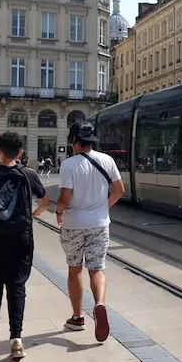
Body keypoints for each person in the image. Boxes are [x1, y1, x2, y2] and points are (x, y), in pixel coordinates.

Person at [0, 131, 50, 359]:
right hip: (21, 237)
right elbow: (45, 201)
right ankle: (16, 338)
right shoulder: (29, 174)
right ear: (21, 153)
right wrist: (34, 214)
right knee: (17, 285)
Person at [56, 122, 124, 342]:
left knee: (75, 270)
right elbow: (119, 190)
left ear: (74, 140)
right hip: (99, 223)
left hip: (74, 224)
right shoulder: (108, 160)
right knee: (96, 269)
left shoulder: (68, 165)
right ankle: (100, 304)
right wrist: (104, 206)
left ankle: (78, 318)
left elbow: (65, 199)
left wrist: (58, 211)